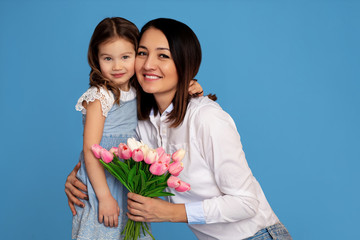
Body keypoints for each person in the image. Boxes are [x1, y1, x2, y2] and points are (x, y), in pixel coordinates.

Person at [66, 18, 292, 240]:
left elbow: (246, 202)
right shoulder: (142, 122)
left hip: (258, 235)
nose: (148, 64)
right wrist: (80, 179)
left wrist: (171, 213)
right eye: (142, 53)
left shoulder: (207, 118)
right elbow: (107, 150)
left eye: (163, 55)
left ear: (185, 64)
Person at [70, 17, 203, 240]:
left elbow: (170, 91)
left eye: (126, 57)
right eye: (108, 58)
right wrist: (103, 197)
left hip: (128, 178)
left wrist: (191, 84)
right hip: (103, 182)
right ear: (96, 59)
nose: (117, 66)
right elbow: (91, 150)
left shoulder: (139, 90)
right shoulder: (99, 96)